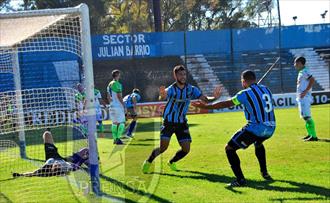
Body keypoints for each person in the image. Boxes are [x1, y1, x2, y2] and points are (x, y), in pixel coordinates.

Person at [193, 70, 276, 187]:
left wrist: (206, 106)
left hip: (257, 128)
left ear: (243, 81)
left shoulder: (245, 93)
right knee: (258, 143)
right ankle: (264, 172)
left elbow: (227, 104)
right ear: (254, 79)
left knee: (229, 148)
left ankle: (240, 180)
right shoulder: (266, 89)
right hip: (271, 128)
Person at [142, 65, 221, 173]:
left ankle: (172, 162)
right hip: (169, 123)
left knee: (186, 149)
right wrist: (162, 95)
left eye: (184, 74)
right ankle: (149, 161)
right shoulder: (171, 89)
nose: (183, 76)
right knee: (163, 148)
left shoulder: (191, 89)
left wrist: (214, 98)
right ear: (175, 76)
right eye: (180, 74)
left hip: (181, 123)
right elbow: (163, 96)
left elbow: (205, 99)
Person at [12, 130, 89, 177]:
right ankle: (89, 162)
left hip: (51, 154)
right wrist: (83, 159)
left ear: (53, 167)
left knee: (47, 134)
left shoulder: (46, 168)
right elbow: (77, 166)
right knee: (86, 150)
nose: (56, 163)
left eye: (56, 164)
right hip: (65, 159)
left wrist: (20, 175)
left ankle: (88, 161)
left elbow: (33, 173)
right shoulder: (67, 166)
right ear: (61, 167)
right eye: (58, 164)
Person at [294, 57, 318, 141]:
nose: (295, 65)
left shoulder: (305, 71)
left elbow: (312, 80)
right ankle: (309, 134)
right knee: (305, 117)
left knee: (307, 116)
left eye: (296, 63)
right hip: (301, 97)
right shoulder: (301, 72)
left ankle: (314, 136)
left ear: (300, 63)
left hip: (305, 97)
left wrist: (305, 91)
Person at [107, 69, 126, 145]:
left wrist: (111, 103)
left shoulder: (109, 84)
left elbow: (108, 96)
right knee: (121, 123)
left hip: (111, 105)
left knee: (114, 123)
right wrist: (123, 105)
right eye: (119, 74)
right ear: (117, 75)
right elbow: (119, 96)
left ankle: (115, 139)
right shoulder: (117, 84)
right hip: (118, 105)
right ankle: (118, 139)